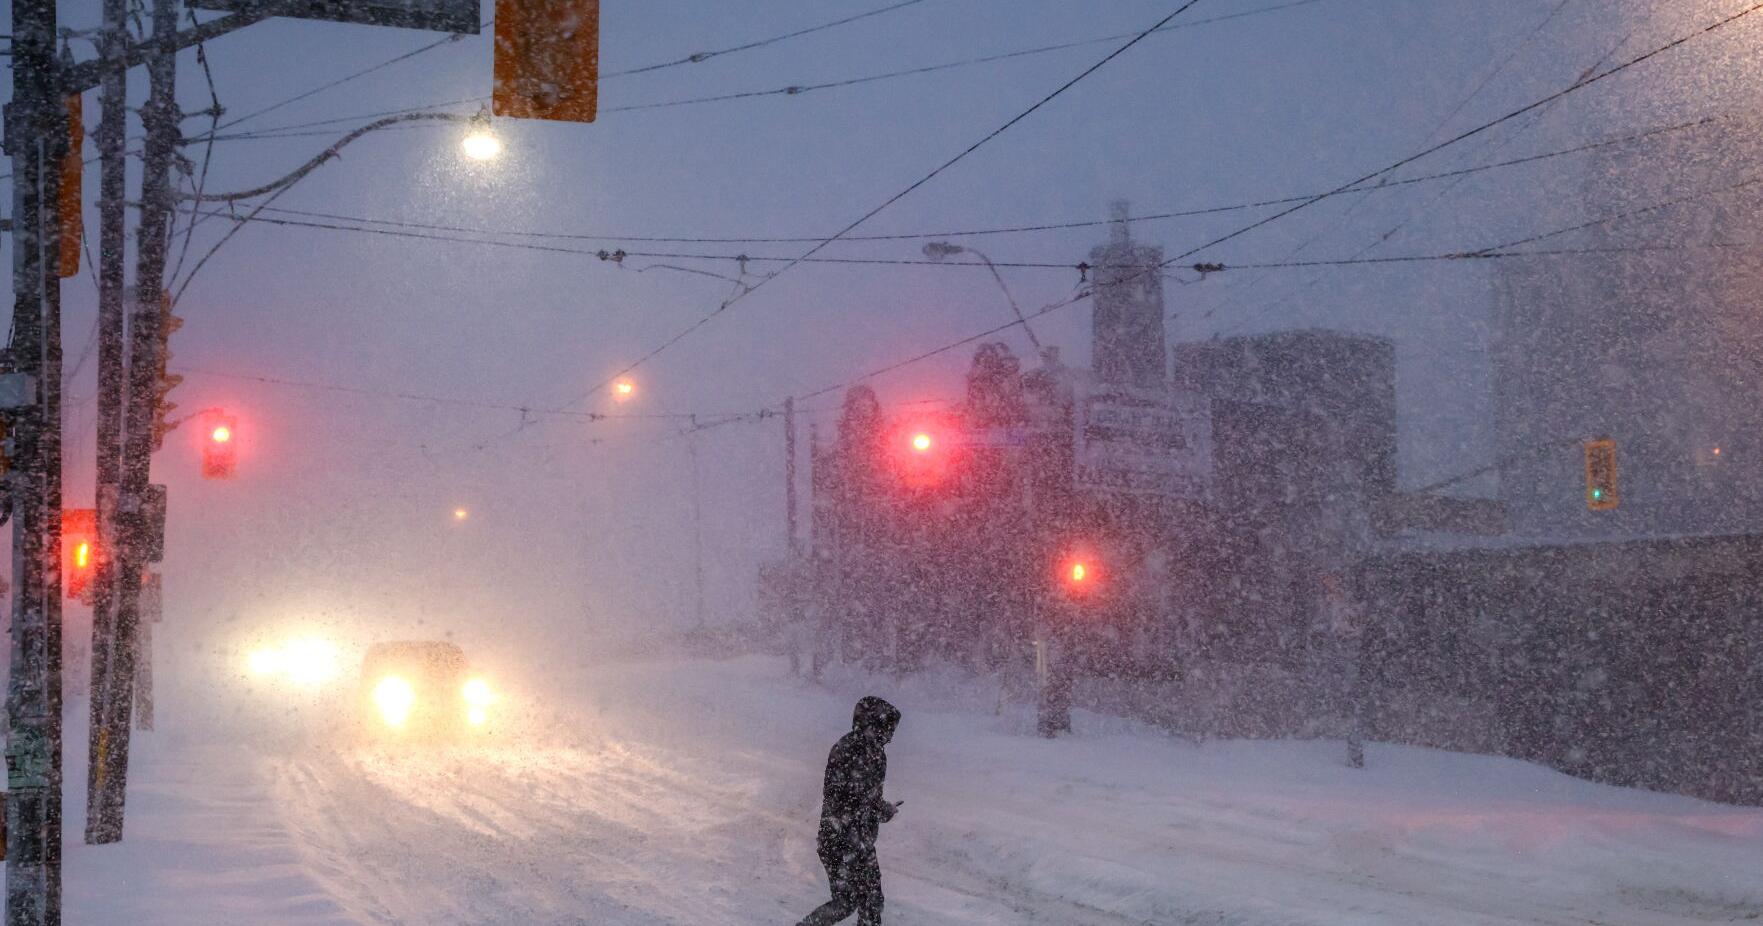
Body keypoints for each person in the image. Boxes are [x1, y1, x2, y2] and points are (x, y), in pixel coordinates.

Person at [797, 696, 901, 926]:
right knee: (846, 901)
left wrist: (883, 810)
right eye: (886, 728)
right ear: (870, 724)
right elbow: (846, 797)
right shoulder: (846, 750)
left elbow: (869, 798)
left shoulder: (877, 755)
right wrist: (876, 809)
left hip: (862, 841)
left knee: (872, 903)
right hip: (839, 839)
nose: (890, 736)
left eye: (892, 730)